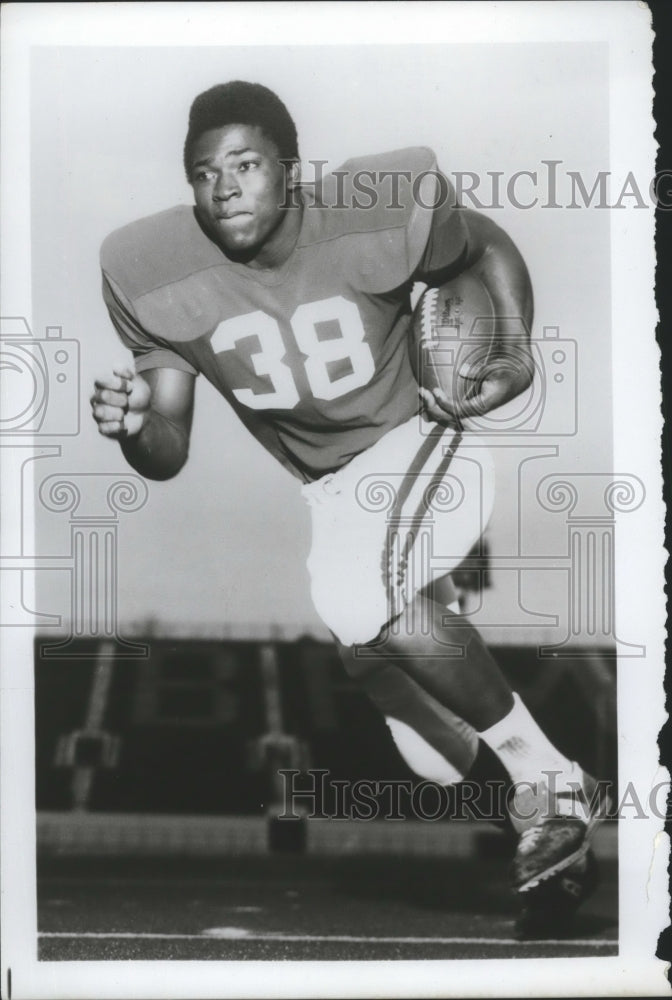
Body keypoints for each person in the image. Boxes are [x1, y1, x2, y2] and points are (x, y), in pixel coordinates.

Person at [91, 80, 605, 930]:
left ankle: (548, 785)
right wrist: (134, 427)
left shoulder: (374, 208)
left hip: (427, 430)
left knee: (368, 595)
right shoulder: (152, 272)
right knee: (416, 728)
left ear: (291, 171)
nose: (225, 187)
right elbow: (168, 452)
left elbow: (483, 246)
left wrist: (513, 349)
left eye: (247, 164)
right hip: (333, 491)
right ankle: (546, 808)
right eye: (204, 172)